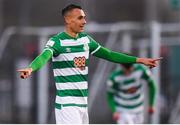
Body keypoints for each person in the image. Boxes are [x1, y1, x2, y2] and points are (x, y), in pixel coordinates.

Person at [17, 4, 161, 124]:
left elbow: (110, 55)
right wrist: (31, 68)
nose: (84, 21)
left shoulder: (86, 40)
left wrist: (139, 60)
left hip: (82, 103)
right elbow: (44, 57)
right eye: (80, 18)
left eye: (84, 18)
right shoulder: (57, 42)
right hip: (67, 104)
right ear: (68, 19)